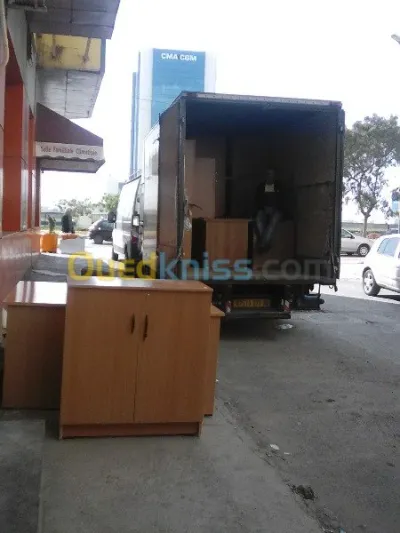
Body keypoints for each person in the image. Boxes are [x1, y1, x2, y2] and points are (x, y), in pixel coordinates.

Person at [254, 170, 282, 252]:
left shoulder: (279, 186)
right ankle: (265, 243)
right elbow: (257, 200)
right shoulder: (261, 187)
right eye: (268, 174)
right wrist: (263, 208)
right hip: (263, 209)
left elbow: (283, 200)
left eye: (271, 174)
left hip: (276, 210)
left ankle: (262, 244)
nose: (270, 176)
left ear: (274, 175)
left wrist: (275, 208)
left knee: (273, 221)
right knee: (258, 218)